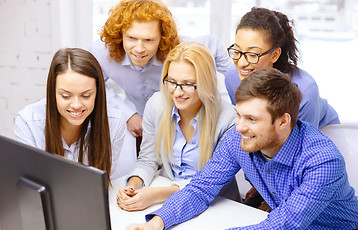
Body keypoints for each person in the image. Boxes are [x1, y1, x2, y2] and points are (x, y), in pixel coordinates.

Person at [124, 68, 358, 230]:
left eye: (251, 119)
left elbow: (282, 228)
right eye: (238, 115)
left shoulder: (322, 160)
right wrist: (156, 223)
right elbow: (201, 187)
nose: (239, 127)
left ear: (283, 121)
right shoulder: (240, 139)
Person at [224, 7, 340, 210]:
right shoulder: (233, 77)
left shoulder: (305, 91)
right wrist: (261, 185)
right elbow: (256, 128)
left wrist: (274, 200)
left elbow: (295, 150)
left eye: (252, 54)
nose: (241, 62)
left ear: (275, 54)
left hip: (323, 131)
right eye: (237, 51)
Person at [116, 42, 237, 211]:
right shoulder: (157, 104)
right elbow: (147, 160)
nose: (177, 92)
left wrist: (155, 195)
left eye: (188, 84)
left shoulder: (230, 119)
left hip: (217, 205)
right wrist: (133, 185)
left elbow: (211, 182)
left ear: (206, 83)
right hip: (168, 199)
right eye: (171, 81)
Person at [89, 0, 231, 142]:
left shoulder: (179, 48)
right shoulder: (101, 52)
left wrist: (240, 99)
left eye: (149, 40)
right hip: (137, 122)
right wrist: (128, 114)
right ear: (120, 35)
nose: (139, 49)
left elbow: (214, 45)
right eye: (131, 38)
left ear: (162, 38)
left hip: (180, 121)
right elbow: (93, 85)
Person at [14, 48, 126, 185]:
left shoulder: (114, 122)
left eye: (86, 95)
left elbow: (102, 179)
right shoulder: (28, 121)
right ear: (52, 91)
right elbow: (27, 183)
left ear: (98, 92)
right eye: (66, 96)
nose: (76, 105)